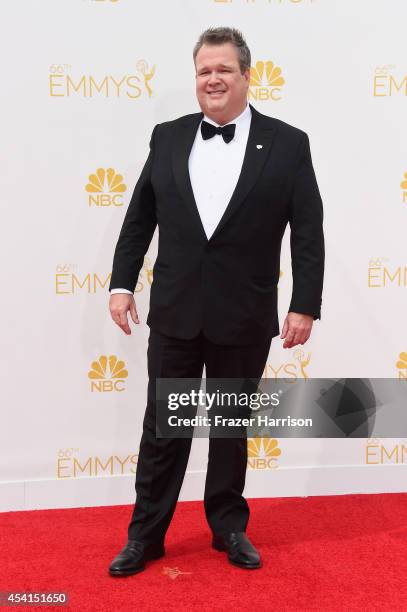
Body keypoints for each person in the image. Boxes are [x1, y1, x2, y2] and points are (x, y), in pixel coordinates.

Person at [108, 27, 324, 576]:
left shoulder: (288, 143)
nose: (213, 79)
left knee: (230, 429)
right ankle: (146, 536)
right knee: (164, 429)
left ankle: (229, 528)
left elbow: (308, 230)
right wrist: (121, 284)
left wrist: (305, 303)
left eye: (224, 69)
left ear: (246, 76)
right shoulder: (168, 136)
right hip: (178, 311)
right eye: (204, 70)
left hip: (245, 314)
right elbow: (140, 218)